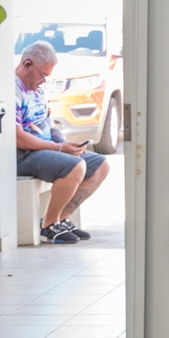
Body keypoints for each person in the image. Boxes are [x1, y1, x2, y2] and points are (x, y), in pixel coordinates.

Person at [14, 40, 110, 243]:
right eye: (43, 75)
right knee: (75, 166)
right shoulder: (13, 89)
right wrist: (58, 147)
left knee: (101, 165)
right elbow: (17, 137)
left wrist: (66, 145)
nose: (44, 81)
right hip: (23, 155)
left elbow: (50, 126)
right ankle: (48, 225)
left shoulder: (37, 90)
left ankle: (60, 219)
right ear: (27, 64)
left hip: (44, 150)